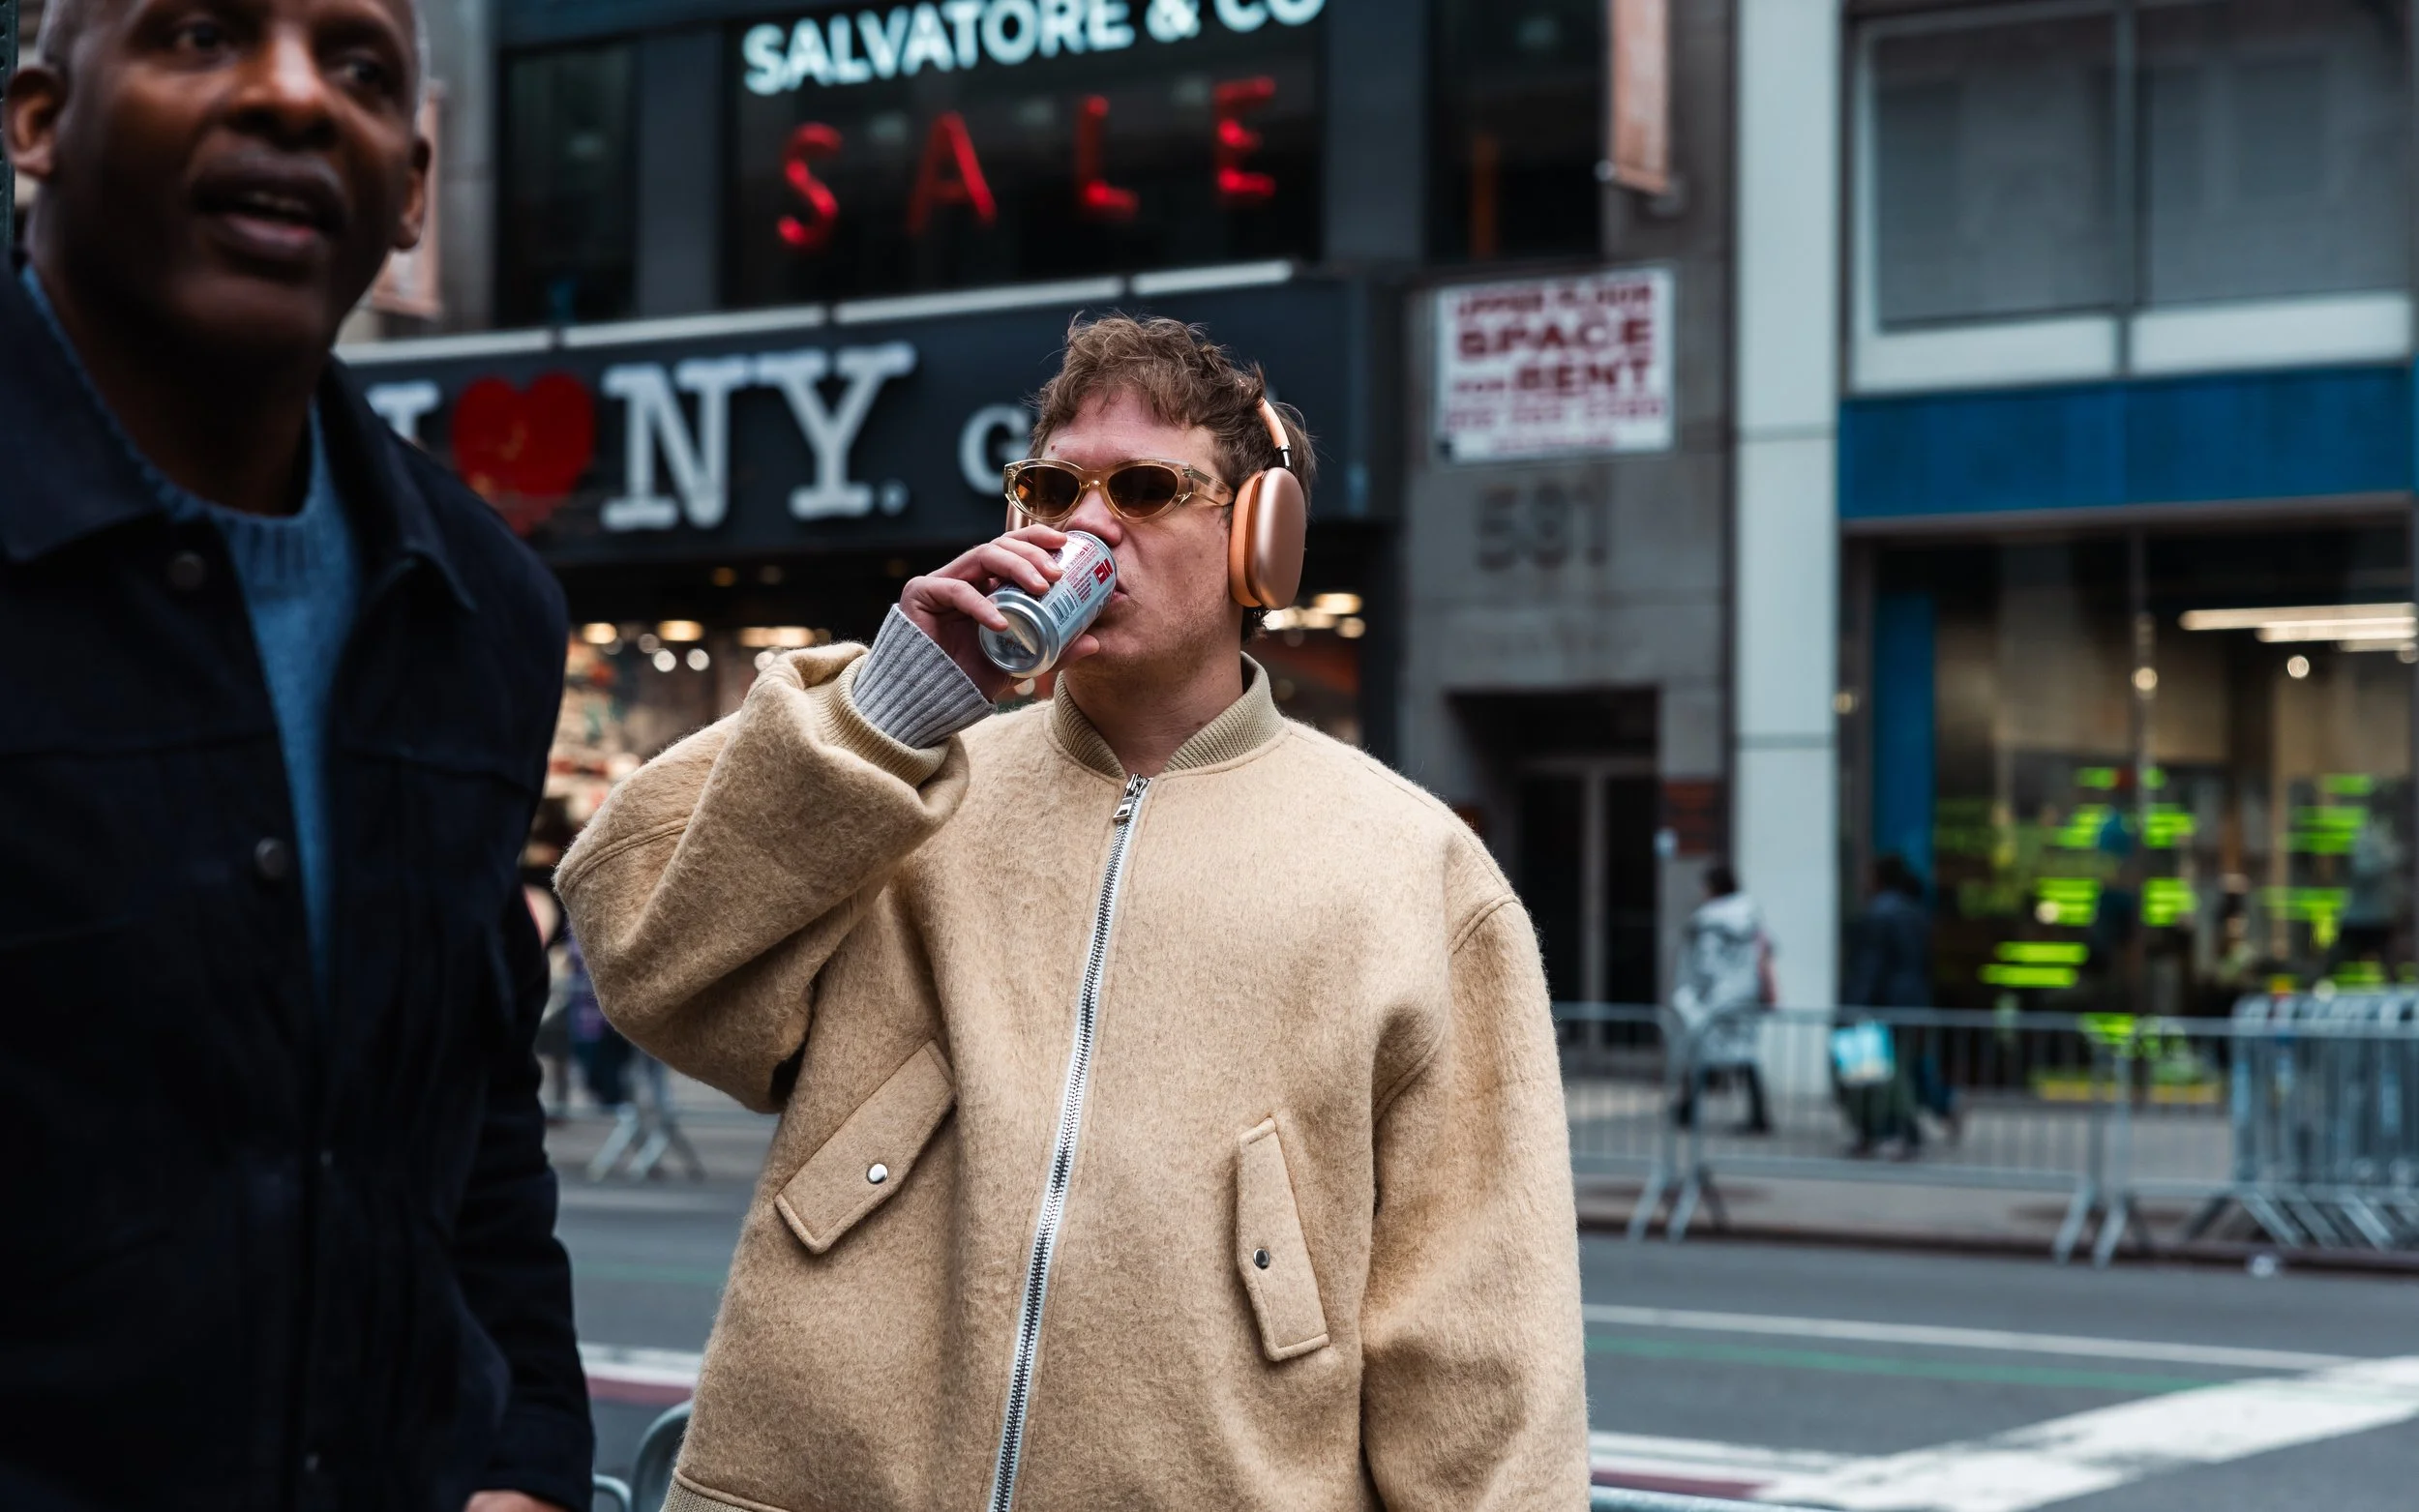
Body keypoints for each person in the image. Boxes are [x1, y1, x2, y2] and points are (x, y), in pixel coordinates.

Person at [560, 315, 1587, 1510]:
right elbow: (637, 942)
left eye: (1146, 489)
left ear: (1259, 544)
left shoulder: (1414, 869)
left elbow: (1482, 1355)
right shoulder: (906, 786)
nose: (1085, 525)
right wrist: (889, 705)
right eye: (1051, 486)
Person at [0, 3, 590, 1508]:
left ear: (409, 190)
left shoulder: (488, 607)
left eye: (360, 66)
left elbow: (478, 1127)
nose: (293, 96)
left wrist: (522, 1460)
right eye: (199, 33)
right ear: (37, 123)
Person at [1839, 852, 1942, 1155]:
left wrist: (1854, 1006)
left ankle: (1889, 1131)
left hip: (1882, 1002)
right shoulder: (1914, 912)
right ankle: (1881, 1131)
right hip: (1909, 1002)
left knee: (1874, 1072)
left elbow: (1870, 966)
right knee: (1894, 1068)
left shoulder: (1880, 914)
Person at [1669, 862, 1776, 1134]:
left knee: (1699, 1048)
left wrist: (1693, 993)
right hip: (1746, 993)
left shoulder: (1707, 919)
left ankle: (1688, 1108)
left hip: (1716, 995)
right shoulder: (1751, 912)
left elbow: (1704, 962)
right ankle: (1758, 1114)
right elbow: (1765, 953)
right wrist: (1767, 988)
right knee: (1746, 1052)